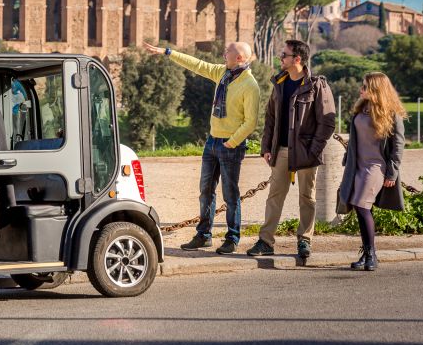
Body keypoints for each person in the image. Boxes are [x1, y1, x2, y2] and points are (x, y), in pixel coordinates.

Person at [144, 41, 260, 254]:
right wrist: (168, 52)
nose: (224, 53)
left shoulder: (250, 85)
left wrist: (232, 142)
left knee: (230, 194)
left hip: (230, 145)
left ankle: (232, 239)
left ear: (240, 59)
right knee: (205, 191)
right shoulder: (222, 73)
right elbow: (196, 64)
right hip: (212, 142)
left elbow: (251, 122)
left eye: (228, 52)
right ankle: (203, 235)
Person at [247, 40, 336, 259]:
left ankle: (304, 241)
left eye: (284, 55)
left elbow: (328, 122)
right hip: (281, 151)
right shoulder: (280, 82)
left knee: (307, 198)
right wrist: (267, 147)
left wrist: (313, 150)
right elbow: (270, 117)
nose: (280, 58)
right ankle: (266, 241)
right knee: (274, 197)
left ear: (297, 59)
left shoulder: (317, 85)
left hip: (306, 152)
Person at [336, 72, 407, 271]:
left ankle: (371, 254)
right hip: (356, 166)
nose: (361, 89)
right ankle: (367, 254)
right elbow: (356, 139)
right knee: (360, 207)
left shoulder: (392, 113)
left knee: (361, 206)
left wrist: (392, 173)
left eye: (365, 86)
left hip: (376, 167)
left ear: (376, 89)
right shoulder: (361, 108)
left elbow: (398, 146)